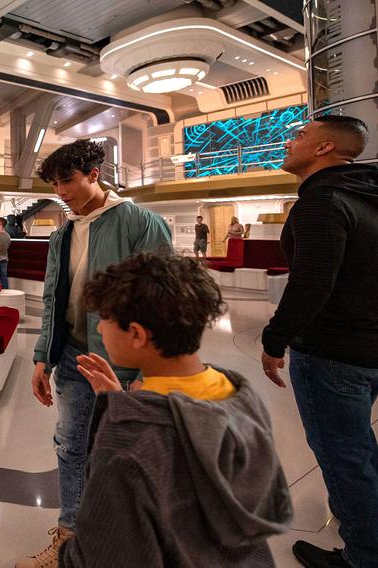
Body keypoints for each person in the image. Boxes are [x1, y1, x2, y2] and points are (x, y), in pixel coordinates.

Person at [60, 252, 292, 567]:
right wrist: (119, 400)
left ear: (137, 334)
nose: (99, 330)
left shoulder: (127, 444)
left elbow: (100, 556)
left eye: (105, 319)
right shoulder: (239, 396)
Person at [19, 139, 172, 568]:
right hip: (71, 357)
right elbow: (52, 300)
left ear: (93, 175)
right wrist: (41, 357)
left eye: (67, 180)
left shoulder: (141, 223)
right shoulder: (63, 233)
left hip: (122, 364)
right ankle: (71, 539)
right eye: (54, 183)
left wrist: (149, 370)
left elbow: (163, 302)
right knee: (70, 446)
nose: (62, 191)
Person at [260, 115, 378, 568]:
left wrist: (275, 341)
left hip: (332, 355)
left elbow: (311, 285)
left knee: (345, 460)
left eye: (301, 135)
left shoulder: (321, 202)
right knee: (362, 453)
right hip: (367, 348)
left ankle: (364, 557)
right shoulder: (365, 196)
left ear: (325, 148)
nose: (291, 142)